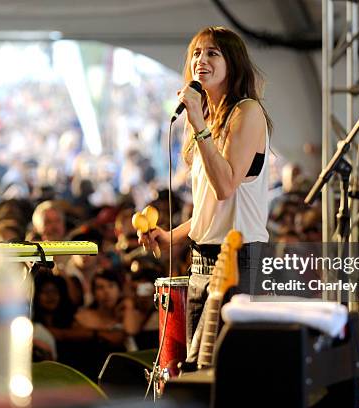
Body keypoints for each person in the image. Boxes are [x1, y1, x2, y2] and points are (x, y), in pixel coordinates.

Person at [139, 26, 272, 364]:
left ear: (234, 63)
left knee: (218, 367)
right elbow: (207, 211)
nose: (201, 60)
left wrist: (199, 123)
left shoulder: (247, 112)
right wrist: (171, 236)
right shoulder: (210, 120)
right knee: (196, 368)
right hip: (201, 259)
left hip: (238, 259)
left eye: (213, 53)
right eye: (197, 53)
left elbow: (226, 187)